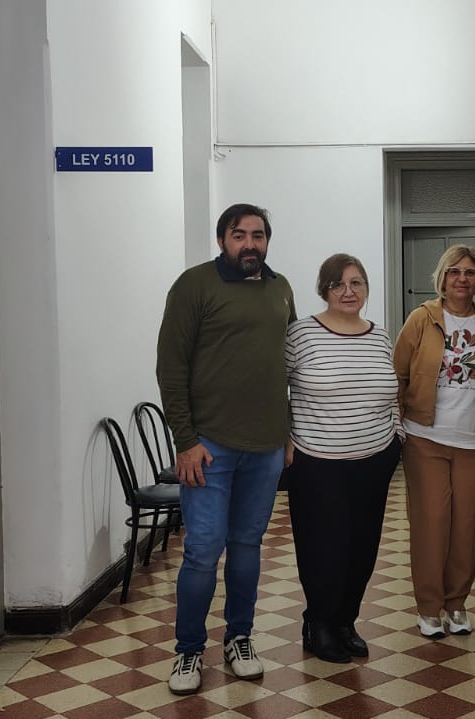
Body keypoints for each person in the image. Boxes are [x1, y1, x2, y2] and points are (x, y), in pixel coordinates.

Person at [156, 203, 296, 694]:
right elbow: (171, 367)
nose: (250, 244)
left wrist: (287, 432)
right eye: (239, 235)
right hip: (208, 448)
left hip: (266, 446)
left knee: (247, 546)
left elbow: (286, 363)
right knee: (202, 551)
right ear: (222, 240)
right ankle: (188, 651)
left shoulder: (280, 289)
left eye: (258, 235)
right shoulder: (194, 285)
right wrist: (186, 442)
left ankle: (240, 638)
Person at [282, 253, 403, 663]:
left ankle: (346, 621)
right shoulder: (301, 334)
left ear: (367, 287)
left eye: (356, 283)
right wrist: (284, 438)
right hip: (318, 463)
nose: (348, 292)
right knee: (324, 548)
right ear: (324, 290)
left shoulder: (379, 336)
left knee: (363, 547)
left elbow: (392, 391)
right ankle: (319, 623)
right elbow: (274, 387)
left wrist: (397, 438)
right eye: (338, 284)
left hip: (374, 460)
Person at [393, 245, 475, 639]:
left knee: (466, 525)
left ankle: (456, 604)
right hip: (425, 438)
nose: (462, 279)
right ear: (442, 277)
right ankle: (428, 607)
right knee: (431, 523)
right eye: (454, 271)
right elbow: (398, 373)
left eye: (470, 272)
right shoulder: (421, 319)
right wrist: (397, 424)